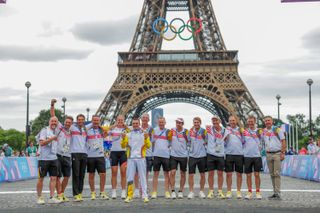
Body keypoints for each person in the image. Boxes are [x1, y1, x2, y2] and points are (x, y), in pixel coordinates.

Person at [121, 117, 151, 203]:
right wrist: (123, 139)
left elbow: (148, 146)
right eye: (133, 123)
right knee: (130, 177)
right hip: (131, 158)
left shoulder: (144, 133)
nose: (135, 125)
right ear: (132, 124)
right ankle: (129, 195)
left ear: (139, 124)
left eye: (136, 123)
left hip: (141, 158)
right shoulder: (127, 134)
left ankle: (145, 195)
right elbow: (123, 146)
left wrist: (146, 138)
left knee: (142, 177)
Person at [50, 99, 72, 202]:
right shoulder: (60, 128)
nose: (67, 123)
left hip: (67, 156)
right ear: (64, 122)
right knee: (58, 176)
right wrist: (52, 105)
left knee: (67, 176)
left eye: (69, 122)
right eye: (66, 122)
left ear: (71, 123)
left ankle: (62, 193)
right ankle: (59, 194)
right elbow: (53, 116)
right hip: (58, 155)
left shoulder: (73, 131)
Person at [36, 117, 61, 204]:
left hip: (54, 158)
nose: (54, 123)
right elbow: (42, 143)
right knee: (41, 178)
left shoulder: (57, 132)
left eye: (55, 121)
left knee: (54, 178)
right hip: (43, 159)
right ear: (49, 122)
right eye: (52, 121)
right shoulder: (44, 130)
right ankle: (39, 197)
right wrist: (51, 139)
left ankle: (51, 197)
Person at [261, 116, 286, 200]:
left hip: (277, 153)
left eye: (269, 120)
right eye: (266, 121)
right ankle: (275, 192)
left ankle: (277, 192)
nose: (267, 122)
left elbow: (283, 140)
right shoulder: (263, 131)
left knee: (277, 173)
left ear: (272, 121)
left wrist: (283, 152)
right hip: (268, 154)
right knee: (272, 174)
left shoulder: (277, 129)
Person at [86, 115, 109, 200]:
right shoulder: (88, 130)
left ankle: (102, 192)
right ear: (92, 121)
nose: (96, 122)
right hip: (90, 155)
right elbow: (84, 130)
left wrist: (100, 127)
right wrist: (91, 125)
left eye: (97, 121)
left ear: (99, 121)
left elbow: (106, 133)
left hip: (100, 155)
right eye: (94, 120)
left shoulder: (101, 130)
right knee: (91, 174)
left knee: (103, 174)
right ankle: (93, 192)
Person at [107, 115, 129, 199]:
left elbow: (132, 131)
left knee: (123, 172)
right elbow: (105, 132)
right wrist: (114, 125)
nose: (120, 121)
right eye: (118, 120)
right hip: (114, 152)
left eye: (122, 120)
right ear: (116, 120)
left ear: (124, 120)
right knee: (114, 172)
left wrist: (125, 126)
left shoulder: (126, 129)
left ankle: (123, 191)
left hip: (123, 152)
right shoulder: (113, 129)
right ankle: (114, 191)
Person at [206, 116, 228, 199]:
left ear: (220, 121)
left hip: (220, 154)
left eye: (216, 120)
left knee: (220, 174)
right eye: (213, 120)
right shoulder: (208, 129)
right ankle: (211, 191)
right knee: (210, 174)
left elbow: (227, 141)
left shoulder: (225, 130)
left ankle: (220, 191)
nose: (215, 122)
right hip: (211, 154)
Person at [151, 117, 172, 199]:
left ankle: (167, 191)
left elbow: (171, 143)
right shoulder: (154, 130)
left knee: (166, 174)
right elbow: (152, 142)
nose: (161, 123)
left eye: (162, 122)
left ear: (165, 122)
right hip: (156, 155)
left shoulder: (168, 131)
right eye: (160, 122)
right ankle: (154, 191)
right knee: (155, 174)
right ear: (157, 123)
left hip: (166, 155)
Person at [243, 115, 263, 200]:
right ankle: (249, 191)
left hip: (257, 155)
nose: (250, 123)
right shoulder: (244, 132)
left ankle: (258, 191)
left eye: (252, 121)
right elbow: (241, 142)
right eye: (249, 122)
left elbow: (265, 140)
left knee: (257, 174)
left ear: (255, 121)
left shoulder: (259, 131)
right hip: (247, 155)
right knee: (248, 175)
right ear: (247, 122)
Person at [187, 117, 207, 199]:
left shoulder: (204, 131)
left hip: (202, 155)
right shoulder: (190, 131)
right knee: (191, 175)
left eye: (197, 122)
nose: (196, 124)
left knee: (202, 174)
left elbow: (208, 141)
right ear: (193, 123)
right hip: (192, 156)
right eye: (195, 122)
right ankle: (191, 191)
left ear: (200, 123)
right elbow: (188, 143)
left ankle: (201, 191)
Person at [70, 113, 88, 202]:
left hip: (84, 153)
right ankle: (75, 193)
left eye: (82, 120)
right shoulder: (72, 127)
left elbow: (96, 123)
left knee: (82, 174)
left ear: (84, 121)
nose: (80, 121)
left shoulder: (86, 128)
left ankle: (80, 192)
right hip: (75, 153)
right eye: (79, 119)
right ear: (76, 120)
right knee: (76, 174)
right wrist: (52, 106)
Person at [225, 116, 244, 199]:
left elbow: (246, 140)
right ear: (228, 122)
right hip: (229, 154)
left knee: (239, 174)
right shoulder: (226, 130)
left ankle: (238, 191)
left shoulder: (241, 130)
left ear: (236, 121)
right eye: (230, 121)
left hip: (239, 154)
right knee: (229, 174)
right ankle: (229, 191)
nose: (232, 122)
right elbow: (223, 140)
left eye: (233, 120)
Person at [169, 118, 189, 199]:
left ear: (182, 124)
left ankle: (181, 191)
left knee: (182, 173)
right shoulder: (172, 130)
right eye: (177, 122)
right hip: (173, 155)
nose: (178, 124)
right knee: (172, 172)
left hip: (183, 155)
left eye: (180, 123)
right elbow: (168, 139)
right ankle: (173, 191)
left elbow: (190, 141)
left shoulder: (186, 132)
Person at [137, 113, 154, 198]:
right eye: (143, 118)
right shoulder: (137, 128)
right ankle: (138, 189)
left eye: (146, 118)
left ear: (148, 119)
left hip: (147, 153)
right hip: (138, 153)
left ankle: (144, 188)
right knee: (137, 172)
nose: (144, 119)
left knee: (146, 173)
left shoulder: (151, 129)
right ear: (141, 119)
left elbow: (153, 141)